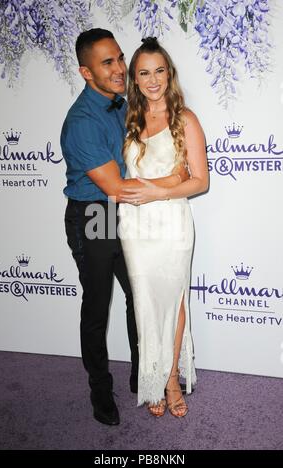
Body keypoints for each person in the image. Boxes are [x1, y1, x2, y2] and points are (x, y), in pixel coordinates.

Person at [61, 29, 188, 426]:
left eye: (119, 59)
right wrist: (175, 182)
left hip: (132, 214)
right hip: (96, 215)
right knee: (98, 306)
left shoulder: (124, 105)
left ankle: (144, 376)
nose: (120, 70)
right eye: (107, 63)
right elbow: (116, 187)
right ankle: (101, 389)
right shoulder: (82, 122)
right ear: (86, 72)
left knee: (141, 296)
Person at [119, 37, 209, 418]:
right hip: (134, 227)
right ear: (134, 79)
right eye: (144, 72)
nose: (152, 79)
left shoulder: (184, 118)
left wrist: (159, 190)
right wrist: (166, 182)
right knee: (144, 302)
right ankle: (151, 378)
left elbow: (200, 181)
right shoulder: (127, 117)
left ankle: (171, 379)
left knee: (174, 302)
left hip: (172, 223)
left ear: (168, 74)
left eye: (159, 70)